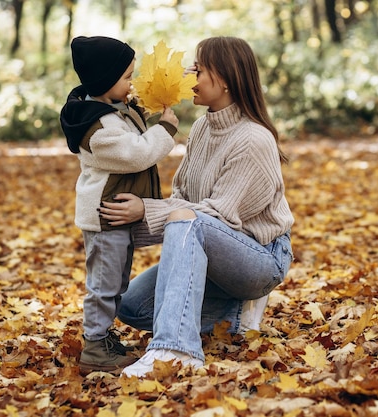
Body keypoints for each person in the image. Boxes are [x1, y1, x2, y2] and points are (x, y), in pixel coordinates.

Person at [97, 36, 294, 378]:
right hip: (212, 249)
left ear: (227, 79)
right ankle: (235, 315)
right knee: (131, 306)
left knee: (189, 221)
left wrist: (147, 211)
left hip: (260, 258)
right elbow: (184, 199)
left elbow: (216, 216)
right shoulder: (203, 128)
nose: (189, 76)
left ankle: (175, 349)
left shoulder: (253, 139)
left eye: (198, 69)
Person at [59, 35, 179, 372]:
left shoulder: (115, 111)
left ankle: (103, 336)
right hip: (104, 217)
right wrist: (166, 129)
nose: (132, 82)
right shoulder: (98, 127)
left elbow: (135, 124)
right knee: (104, 284)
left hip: (117, 216)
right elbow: (137, 154)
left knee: (116, 282)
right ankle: (95, 346)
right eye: (127, 76)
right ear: (104, 80)